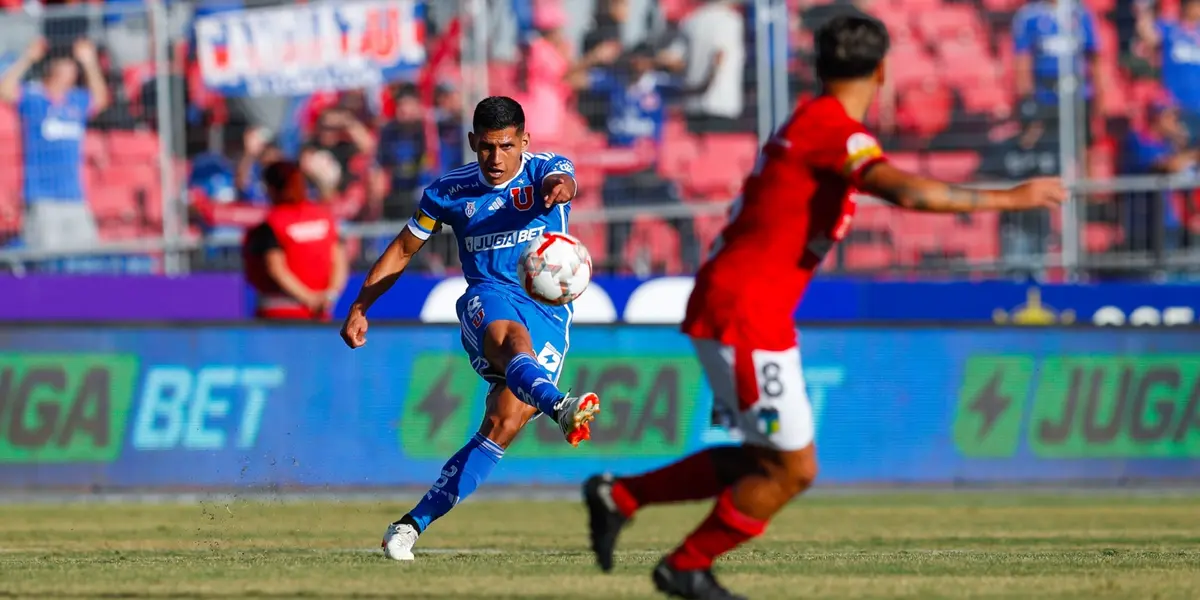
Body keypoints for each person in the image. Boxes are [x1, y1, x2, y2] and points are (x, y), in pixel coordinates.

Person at [581, 16, 1066, 600]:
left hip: (748, 305)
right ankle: (685, 566)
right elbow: (908, 192)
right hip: (745, 311)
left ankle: (622, 497)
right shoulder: (833, 129)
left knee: (764, 460)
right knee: (793, 469)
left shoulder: (812, 122)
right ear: (882, 70)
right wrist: (1011, 198)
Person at [339, 96, 602, 560]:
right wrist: (361, 305)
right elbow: (403, 249)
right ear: (472, 142)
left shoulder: (546, 170)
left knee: (503, 422)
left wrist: (561, 188)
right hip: (488, 296)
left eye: (506, 146)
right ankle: (561, 406)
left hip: (546, 311)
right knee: (512, 342)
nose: (496, 158)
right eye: (485, 147)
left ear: (524, 141)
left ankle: (408, 526)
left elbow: (564, 180)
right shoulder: (447, 191)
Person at [0, 37, 109, 252]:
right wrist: (27, 58)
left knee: (88, 255)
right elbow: (5, 90)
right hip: (43, 198)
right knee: (46, 259)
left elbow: (101, 99)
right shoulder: (34, 99)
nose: (71, 69)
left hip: (74, 197)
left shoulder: (76, 101)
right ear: (53, 67)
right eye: (66, 63)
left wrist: (90, 62)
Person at [243, 161, 347, 321]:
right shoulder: (324, 217)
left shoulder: (272, 224)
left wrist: (310, 299)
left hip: (278, 317)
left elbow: (275, 268)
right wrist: (329, 296)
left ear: (271, 189)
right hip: (319, 315)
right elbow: (339, 261)